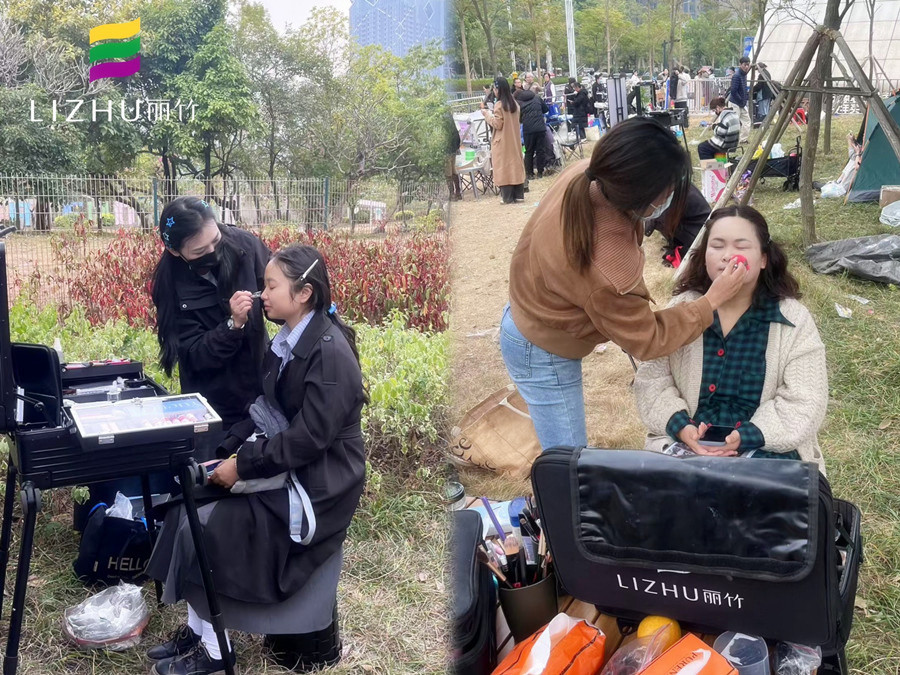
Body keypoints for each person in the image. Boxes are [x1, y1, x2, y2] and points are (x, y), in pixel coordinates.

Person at [146, 245, 368, 675]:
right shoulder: (288, 340)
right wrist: (226, 453)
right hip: (289, 465)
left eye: (271, 286)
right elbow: (266, 407)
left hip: (320, 485)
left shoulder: (329, 354)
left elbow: (308, 440)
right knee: (185, 507)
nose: (261, 294)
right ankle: (200, 630)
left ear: (304, 293)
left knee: (212, 527)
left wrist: (243, 466)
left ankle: (217, 650)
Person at [500, 118, 747, 450]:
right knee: (568, 462)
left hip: (524, 314)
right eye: (669, 191)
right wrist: (710, 301)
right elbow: (649, 338)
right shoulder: (611, 270)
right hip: (540, 347)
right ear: (643, 197)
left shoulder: (589, 173)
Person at [633, 205, 828, 473]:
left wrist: (748, 436)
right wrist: (681, 426)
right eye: (717, 246)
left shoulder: (793, 319)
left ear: (763, 259)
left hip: (765, 452)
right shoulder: (683, 308)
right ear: (704, 256)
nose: (727, 255)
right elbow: (652, 379)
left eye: (741, 246)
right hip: (687, 448)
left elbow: (805, 400)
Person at [151, 197, 271, 460]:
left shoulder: (245, 247)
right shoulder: (170, 285)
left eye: (216, 241)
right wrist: (232, 325)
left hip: (258, 386)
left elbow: (278, 290)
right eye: (199, 251)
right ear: (175, 251)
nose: (213, 252)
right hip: (212, 404)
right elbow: (193, 355)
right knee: (214, 473)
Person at [481, 77, 526, 204]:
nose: (494, 91)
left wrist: (487, 115)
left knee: (503, 167)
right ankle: (519, 195)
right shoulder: (514, 104)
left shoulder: (499, 105)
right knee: (515, 165)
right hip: (514, 140)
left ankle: (507, 197)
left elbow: (497, 124)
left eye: (495, 89)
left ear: (498, 90)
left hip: (502, 141)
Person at [644, 183, 710, 267]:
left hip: (698, 230)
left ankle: (678, 246)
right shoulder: (677, 182)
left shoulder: (672, 190)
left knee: (659, 219)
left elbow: (658, 217)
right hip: (697, 224)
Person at [520, 83, 549, 179]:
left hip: (528, 130)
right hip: (540, 128)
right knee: (540, 150)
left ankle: (529, 173)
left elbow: (519, 118)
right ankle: (540, 172)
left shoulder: (520, 102)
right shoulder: (537, 98)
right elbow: (545, 109)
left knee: (529, 151)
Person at [729, 57, 752, 142]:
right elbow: (733, 91)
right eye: (745, 65)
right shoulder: (736, 76)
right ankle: (731, 140)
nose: (746, 67)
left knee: (747, 121)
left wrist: (744, 100)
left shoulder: (744, 74)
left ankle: (743, 140)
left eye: (748, 65)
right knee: (734, 123)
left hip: (742, 103)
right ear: (740, 65)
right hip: (735, 103)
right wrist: (740, 101)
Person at [445, 111, 462, 201]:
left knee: (448, 173)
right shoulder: (449, 116)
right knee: (453, 170)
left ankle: (452, 194)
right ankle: (458, 192)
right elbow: (456, 134)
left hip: (446, 149)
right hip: (453, 148)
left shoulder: (440, 119)